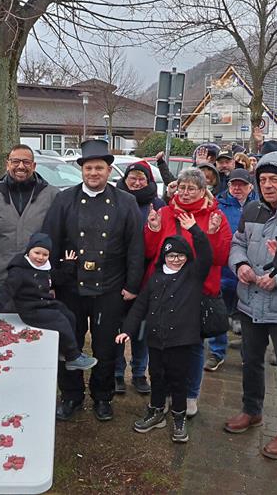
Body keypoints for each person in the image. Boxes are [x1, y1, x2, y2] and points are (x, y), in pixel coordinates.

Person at [43, 139, 144, 422]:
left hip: (109, 287)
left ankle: (102, 396)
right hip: (70, 287)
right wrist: (50, 281)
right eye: (89, 168)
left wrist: (132, 285)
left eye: (99, 168)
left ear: (109, 170)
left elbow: (135, 247)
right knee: (69, 344)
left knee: (106, 346)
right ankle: (71, 395)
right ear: (82, 170)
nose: (93, 173)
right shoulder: (64, 199)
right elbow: (49, 241)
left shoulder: (126, 202)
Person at [225, 151, 277, 460]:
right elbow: (237, 243)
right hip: (251, 302)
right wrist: (241, 265)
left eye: (275, 179)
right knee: (251, 360)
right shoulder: (252, 209)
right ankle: (252, 410)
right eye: (263, 179)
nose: (268, 185)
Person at [144, 167, 231, 417]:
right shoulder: (164, 213)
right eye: (182, 187)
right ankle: (164, 393)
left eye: (192, 188)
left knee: (192, 346)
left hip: (198, 292)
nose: (185, 192)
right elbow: (150, 252)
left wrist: (212, 234)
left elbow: (220, 258)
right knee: (161, 344)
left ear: (203, 191)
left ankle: (191, 394)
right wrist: (152, 229)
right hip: (165, 291)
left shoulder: (215, 216)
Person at [116, 229, 212, 443]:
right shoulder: (155, 278)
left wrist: (195, 231)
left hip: (181, 340)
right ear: (164, 257)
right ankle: (157, 411)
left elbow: (206, 254)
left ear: (187, 256)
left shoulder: (193, 275)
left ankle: (179, 417)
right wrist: (127, 330)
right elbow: (140, 307)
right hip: (156, 339)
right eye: (171, 255)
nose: (176, 260)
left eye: (180, 255)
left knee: (178, 380)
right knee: (156, 376)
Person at [0, 233, 97, 371]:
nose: (40, 257)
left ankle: (64, 351)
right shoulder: (19, 271)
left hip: (45, 304)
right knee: (59, 319)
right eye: (37, 253)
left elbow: (59, 278)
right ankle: (73, 357)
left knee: (69, 315)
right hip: (30, 310)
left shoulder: (44, 268)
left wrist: (68, 264)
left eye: (45, 254)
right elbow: (6, 290)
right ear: (28, 251)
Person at [113, 160, 166, 395]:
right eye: (132, 178)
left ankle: (139, 372)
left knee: (143, 328)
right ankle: (117, 372)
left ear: (149, 181)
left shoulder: (157, 204)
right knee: (116, 326)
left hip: (147, 276)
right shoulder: (114, 199)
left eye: (141, 178)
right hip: (118, 274)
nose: (136, 182)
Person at [0, 144, 60, 295]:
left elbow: (58, 238)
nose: (21, 166)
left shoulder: (52, 196)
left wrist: (54, 281)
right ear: (7, 164)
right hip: (2, 281)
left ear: (34, 166)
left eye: (26, 162)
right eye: (15, 161)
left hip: (38, 283)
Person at [206, 168, 257, 370]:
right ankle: (217, 352)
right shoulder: (218, 204)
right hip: (223, 271)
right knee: (219, 314)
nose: (237, 188)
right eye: (233, 184)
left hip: (248, 271)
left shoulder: (259, 206)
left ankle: (248, 354)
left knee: (248, 317)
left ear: (250, 187)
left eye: (242, 185)